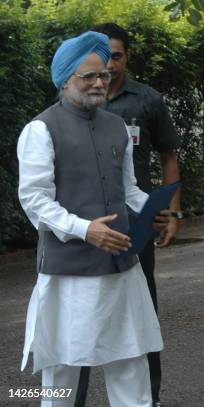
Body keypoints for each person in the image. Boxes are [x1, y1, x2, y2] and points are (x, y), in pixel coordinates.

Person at [17, 31, 169, 406]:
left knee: (131, 364)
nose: (100, 82)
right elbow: (34, 200)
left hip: (121, 267)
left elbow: (128, 188)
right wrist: (85, 230)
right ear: (65, 79)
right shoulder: (40, 130)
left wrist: (153, 207)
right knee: (62, 373)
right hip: (68, 275)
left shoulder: (116, 126)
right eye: (88, 77)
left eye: (102, 74)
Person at [69, 23, 182, 407]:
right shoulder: (69, 107)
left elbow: (169, 154)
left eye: (115, 56)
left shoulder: (146, 100)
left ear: (126, 57)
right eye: (100, 60)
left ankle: (147, 397)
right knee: (79, 319)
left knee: (140, 313)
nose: (108, 67)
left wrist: (171, 211)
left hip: (134, 225)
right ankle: (72, 398)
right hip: (84, 233)